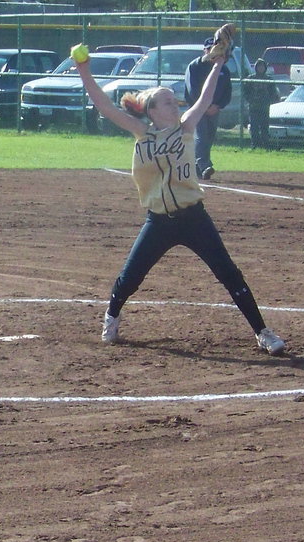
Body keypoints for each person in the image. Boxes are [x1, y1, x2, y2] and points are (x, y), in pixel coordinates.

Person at [70, 42, 286, 355]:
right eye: (168, 102)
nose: (175, 106)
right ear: (152, 111)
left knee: (229, 274)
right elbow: (105, 106)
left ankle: (262, 332)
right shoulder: (142, 132)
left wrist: (217, 64)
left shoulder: (186, 128)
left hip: (194, 218)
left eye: (174, 101)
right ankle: (112, 316)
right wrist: (84, 71)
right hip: (158, 222)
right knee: (130, 277)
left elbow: (205, 98)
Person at [184, 36, 233, 180]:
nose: (213, 52)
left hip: (214, 109)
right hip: (196, 109)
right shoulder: (195, 66)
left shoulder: (223, 68)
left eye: (216, 49)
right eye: (210, 49)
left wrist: (218, 105)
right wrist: (203, 106)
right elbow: (192, 91)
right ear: (204, 50)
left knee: (209, 137)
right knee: (201, 136)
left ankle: (197, 167)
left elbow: (227, 91)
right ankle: (205, 165)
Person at [242, 58, 280, 150]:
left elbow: (273, 93)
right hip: (253, 107)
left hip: (264, 107)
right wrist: (250, 99)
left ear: (265, 68)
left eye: (262, 66)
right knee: (254, 127)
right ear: (256, 67)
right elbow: (245, 91)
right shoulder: (251, 79)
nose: (261, 68)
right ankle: (255, 145)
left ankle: (266, 145)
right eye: (259, 66)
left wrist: (269, 101)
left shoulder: (269, 79)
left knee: (264, 127)